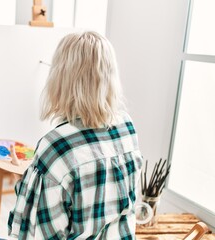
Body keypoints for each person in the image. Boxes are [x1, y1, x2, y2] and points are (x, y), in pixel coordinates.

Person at [8, 31, 143, 240]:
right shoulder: (126, 127)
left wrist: (28, 185)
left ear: (60, 78)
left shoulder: (55, 148)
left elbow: (33, 234)